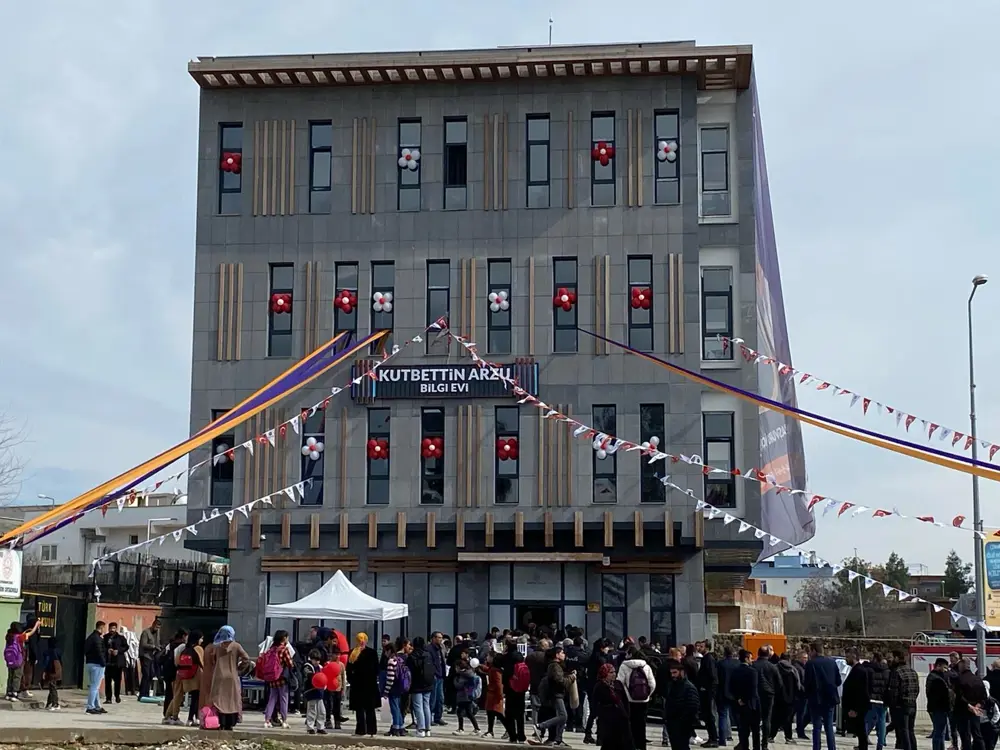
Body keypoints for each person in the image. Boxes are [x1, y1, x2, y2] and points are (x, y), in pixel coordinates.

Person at [200, 625, 250, 730]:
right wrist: (239, 669)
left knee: (219, 700)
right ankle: (230, 723)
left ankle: (220, 722)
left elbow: (212, 659)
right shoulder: (236, 646)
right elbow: (246, 659)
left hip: (219, 676)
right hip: (232, 676)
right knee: (232, 700)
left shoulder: (216, 646)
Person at [803, 641, 842, 750]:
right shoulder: (832, 662)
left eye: (810, 651)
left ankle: (817, 747)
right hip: (830, 698)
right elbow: (838, 681)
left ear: (814, 651)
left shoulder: (810, 664)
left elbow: (807, 682)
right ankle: (832, 748)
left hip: (815, 698)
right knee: (829, 726)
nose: (809, 654)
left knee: (817, 727)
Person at [617, 646, 655, 750]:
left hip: (629, 700)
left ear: (629, 654)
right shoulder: (646, 666)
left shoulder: (624, 666)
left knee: (630, 725)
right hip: (643, 701)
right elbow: (652, 684)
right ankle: (641, 746)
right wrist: (647, 694)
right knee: (641, 725)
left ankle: (631, 746)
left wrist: (625, 695)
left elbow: (619, 683)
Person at [162, 630, 204, 726]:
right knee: (195, 697)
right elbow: (202, 663)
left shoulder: (183, 647)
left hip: (181, 674)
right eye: (201, 638)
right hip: (194, 676)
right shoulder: (198, 649)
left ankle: (169, 716)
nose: (202, 640)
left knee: (177, 695)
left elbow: (176, 661)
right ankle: (187, 719)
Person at [593, 661, 633, 750]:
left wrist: (627, 714)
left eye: (614, 672)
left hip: (621, 716)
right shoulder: (599, 686)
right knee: (609, 743)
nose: (614, 674)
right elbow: (595, 703)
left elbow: (625, 700)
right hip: (607, 718)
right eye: (611, 672)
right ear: (605, 673)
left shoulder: (618, 684)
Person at [663, 657, 701, 750]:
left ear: (682, 672)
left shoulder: (689, 688)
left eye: (675, 672)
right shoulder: (672, 686)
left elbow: (693, 707)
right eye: (671, 673)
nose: (673, 675)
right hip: (673, 724)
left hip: (682, 725)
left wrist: (684, 722)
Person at [346, 632, 379, 736]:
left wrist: (352, 680)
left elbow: (349, 669)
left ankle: (361, 730)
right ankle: (371, 730)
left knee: (361, 709)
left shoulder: (353, 653)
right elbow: (377, 669)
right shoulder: (371, 652)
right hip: (369, 685)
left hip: (359, 685)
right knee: (368, 709)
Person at [886, 649, 919, 750]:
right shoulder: (913, 671)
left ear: (896, 658)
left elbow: (894, 691)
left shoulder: (897, 672)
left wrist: (893, 704)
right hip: (912, 704)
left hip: (901, 705)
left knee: (903, 731)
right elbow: (917, 689)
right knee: (910, 730)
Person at [260, 629, 293, 728]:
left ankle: (267, 720)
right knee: (283, 699)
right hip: (282, 678)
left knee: (272, 698)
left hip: (272, 677)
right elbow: (290, 663)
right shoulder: (284, 649)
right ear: (284, 638)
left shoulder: (271, 649)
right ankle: (284, 720)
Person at [584, 638, 614, 745]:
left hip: (592, 686)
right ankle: (598, 735)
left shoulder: (592, 657)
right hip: (599, 687)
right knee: (599, 712)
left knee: (593, 712)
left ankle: (589, 733)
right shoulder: (601, 658)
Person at [953, 658, 988, 750]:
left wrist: (969, 706)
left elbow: (958, 696)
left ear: (961, 666)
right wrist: (977, 705)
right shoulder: (978, 679)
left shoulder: (959, 679)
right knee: (977, 734)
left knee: (965, 737)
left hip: (962, 710)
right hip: (975, 711)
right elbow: (984, 696)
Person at [842, 648, 872, 750]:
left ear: (853, 656)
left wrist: (855, 709)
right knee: (859, 730)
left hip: (857, 707)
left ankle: (863, 747)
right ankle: (862, 746)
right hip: (855, 706)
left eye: (847, 657)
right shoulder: (855, 669)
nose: (845, 659)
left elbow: (860, 692)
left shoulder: (859, 670)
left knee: (861, 729)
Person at [732, 649, 762, 750]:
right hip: (752, 705)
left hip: (740, 704)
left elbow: (732, 687)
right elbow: (753, 689)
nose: (752, 660)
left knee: (743, 729)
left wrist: (739, 699)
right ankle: (756, 747)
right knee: (755, 729)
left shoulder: (735, 671)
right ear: (746, 658)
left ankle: (744, 746)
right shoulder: (753, 672)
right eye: (750, 658)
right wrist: (745, 699)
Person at [501, 639, 528, 744]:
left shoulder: (507, 657)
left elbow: (506, 673)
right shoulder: (520, 656)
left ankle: (513, 735)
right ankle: (521, 735)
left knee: (510, 713)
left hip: (510, 688)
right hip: (521, 688)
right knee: (520, 714)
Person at [754, 645, 781, 750]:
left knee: (755, 719)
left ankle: (756, 744)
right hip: (769, 695)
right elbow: (779, 683)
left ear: (758, 653)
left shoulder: (753, 665)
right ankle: (764, 744)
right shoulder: (772, 667)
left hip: (756, 694)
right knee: (766, 719)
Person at [408, 635, 436, 738]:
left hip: (416, 685)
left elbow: (409, 672)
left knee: (418, 706)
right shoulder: (428, 654)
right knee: (426, 706)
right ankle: (428, 729)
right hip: (428, 683)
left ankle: (421, 729)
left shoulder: (412, 656)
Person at [928, 658, 955, 750]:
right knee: (939, 732)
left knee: (942, 732)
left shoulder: (940, 676)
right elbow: (941, 693)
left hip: (941, 707)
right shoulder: (935, 677)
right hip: (937, 708)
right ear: (938, 666)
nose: (946, 670)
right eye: (944, 668)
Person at [453, 651, 482, 736]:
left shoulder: (463, 675)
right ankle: (476, 728)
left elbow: (459, 685)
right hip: (468, 696)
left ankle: (461, 729)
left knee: (460, 712)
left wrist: (455, 680)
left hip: (464, 696)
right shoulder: (469, 673)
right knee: (469, 713)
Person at [698, 640, 721, 748]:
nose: (699, 648)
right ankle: (711, 738)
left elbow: (712, 676)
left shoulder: (708, 659)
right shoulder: (705, 659)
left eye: (701, 646)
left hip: (708, 692)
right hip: (706, 691)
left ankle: (713, 739)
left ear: (707, 648)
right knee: (707, 716)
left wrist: (706, 687)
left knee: (710, 715)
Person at [775, 653, 801, 744]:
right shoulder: (793, 669)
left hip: (777, 697)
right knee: (788, 719)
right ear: (789, 659)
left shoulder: (775, 668)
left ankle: (770, 736)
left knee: (776, 717)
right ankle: (788, 738)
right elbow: (798, 684)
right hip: (790, 697)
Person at [866, 652, 890, 750]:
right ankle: (880, 743)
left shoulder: (871, 669)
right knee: (882, 721)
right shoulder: (887, 671)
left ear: (875, 659)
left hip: (872, 698)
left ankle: (863, 740)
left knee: (868, 720)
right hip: (883, 700)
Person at [83, 621, 108, 715]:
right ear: (101, 627)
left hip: (90, 663)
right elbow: (100, 651)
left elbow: (85, 650)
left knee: (95, 686)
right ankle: (90, 707)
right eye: (103, 628)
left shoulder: (90, 637)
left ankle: (97, 706)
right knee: (94, 687)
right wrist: (104, 663)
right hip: (97, 664)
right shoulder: (97, 638)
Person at [717, 645, 739, 746]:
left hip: (723, 692)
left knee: (723, 716)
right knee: (739, 717)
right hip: (735, 693)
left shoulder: (720, 664)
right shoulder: (737, 664)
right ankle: (742, 739)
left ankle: (722, 739)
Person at [302, 648, 328, 735]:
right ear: (311, 659)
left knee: (322, 711)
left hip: (319, 692)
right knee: (312, 710)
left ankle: (320, 727)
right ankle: (310, 727)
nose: (317, 662)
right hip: (311, 692)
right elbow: (310, 676)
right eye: (315, 660)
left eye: (318, 660)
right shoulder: (307, 666)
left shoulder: (320, 667)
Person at [103, 622, 127, 705]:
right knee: (108, 681)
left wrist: (118, 651)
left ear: (116, 629)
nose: (112, 630)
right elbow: (102, 647)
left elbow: (126, 647)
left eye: (114, 628)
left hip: (117, 662)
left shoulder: (120, 638)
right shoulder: (105, 637)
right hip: (108, 662)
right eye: (111, 628)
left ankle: (117, 696)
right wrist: (107, 650)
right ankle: (108, 698)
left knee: (117, 681)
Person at [485, 651, 507, 738]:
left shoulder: (495, 671)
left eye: (488, 656)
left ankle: (509, 729)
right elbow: (487, 669)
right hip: (492, 694)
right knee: (490, 713)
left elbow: (499, 684)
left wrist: (500, 695)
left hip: (495, 695)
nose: (487, 657)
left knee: (498, 713)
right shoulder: (492, 668)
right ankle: (490, 731)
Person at [138, 617, 161, 699]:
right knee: (146, 675)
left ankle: (146, 692)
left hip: (152, 656)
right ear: (153, 625)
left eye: (158, 628)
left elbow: (157, 642)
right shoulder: (146, 632)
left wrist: (159, 648)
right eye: (156, 627)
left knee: (151, 675)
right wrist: (153, 647)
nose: (157, 629)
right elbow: (143, 644)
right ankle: (142, 694)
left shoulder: (157, 633)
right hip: (145, 656)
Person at [39, 633, 63, 711]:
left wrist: (44, 672)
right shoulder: (59, 651)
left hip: (52, 671)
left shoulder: (48, 652)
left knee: (52, 687)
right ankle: (49, 703)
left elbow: (46, 663)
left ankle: (55, 704)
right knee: (52, 687)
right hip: (58, 670)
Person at [429, 631, 448, 726]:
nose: (440, 639)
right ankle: (429, 718)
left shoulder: (442, 648)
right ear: (433, 638)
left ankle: (438, 717)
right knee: (432, 698)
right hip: (434, 676)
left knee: (440, 698)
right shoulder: (429, 649)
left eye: (441, 638)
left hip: (441, 676)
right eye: (438, 637)